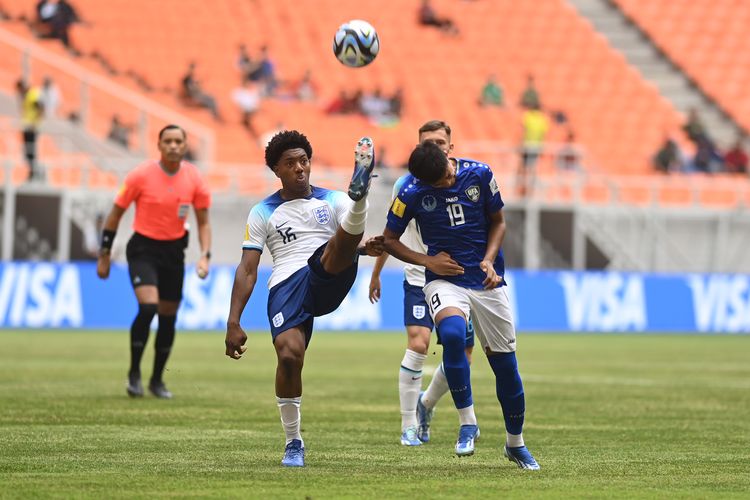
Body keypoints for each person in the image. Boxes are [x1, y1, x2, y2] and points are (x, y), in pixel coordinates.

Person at [224, 130, 383, 468]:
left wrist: (360, 247)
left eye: (304, 161)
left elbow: (344, 244)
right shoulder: (262, 212)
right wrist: (234, 320)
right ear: (277, 170)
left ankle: (361, 197)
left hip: (329, 271)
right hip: (286, 284)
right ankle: (293, 441)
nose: (299, 167)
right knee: (289, 356)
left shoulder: (333, 199)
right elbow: (248, 269)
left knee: (330, 250)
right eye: (290, 163)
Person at [382, 140, 540, 469]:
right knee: (453, 335)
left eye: (446, 176)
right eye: (437, 184)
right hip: (445, 281)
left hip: (487, 280)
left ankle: (515, 443)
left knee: (506, 367)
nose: (446, 184)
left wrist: (488, 261)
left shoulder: (479, 174)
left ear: (448, 160)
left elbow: (498, 221)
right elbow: (389, 240)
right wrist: (428, 261)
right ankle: (467, 423)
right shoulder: (410, 192)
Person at [369, 120, 475, 447]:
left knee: (464, 354)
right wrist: (376, 274)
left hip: (457, 281)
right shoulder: (405, 186)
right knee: (418, 343)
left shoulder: (464, 180)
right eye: (428, 143)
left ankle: (425, 404)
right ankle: (407, 426)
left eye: (440, 142)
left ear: (450, 148)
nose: (435, 148)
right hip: (419, 277)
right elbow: (392, 234)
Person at [96, 124, 212, 400]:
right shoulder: (140, 176)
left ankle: (157, 380)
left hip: (174, 253)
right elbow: (114, 216)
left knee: (168, 318)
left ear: (185, 146)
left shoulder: (195, 179)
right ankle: (134, 372)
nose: (173, 146)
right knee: (148, 307)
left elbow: (204, 223)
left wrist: (205, 255)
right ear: (158, 145)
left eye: (178, 141)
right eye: (168, 141)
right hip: (143, 249)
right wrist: (104, 254)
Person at [16, 79, 44, 182]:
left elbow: (40, 108)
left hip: (31, 127)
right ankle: (32, 172)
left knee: (31, 150)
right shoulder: (27, 96)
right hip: (27, 126)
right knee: (28, 151)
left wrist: (35, 123)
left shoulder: (32, 95)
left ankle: (34, 172)